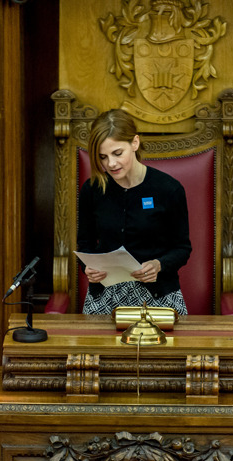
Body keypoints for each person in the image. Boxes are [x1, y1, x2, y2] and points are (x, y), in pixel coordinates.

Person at [77, 109, 192, 315]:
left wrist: (159, 265)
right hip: (105, 296)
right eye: (103, 157)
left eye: (117, 153)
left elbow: (182, 249)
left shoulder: (169, 189)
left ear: (135, 143)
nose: (110, 164)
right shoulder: (92, 189)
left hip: (158, 296)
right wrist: (88, 268)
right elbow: (85, 246)